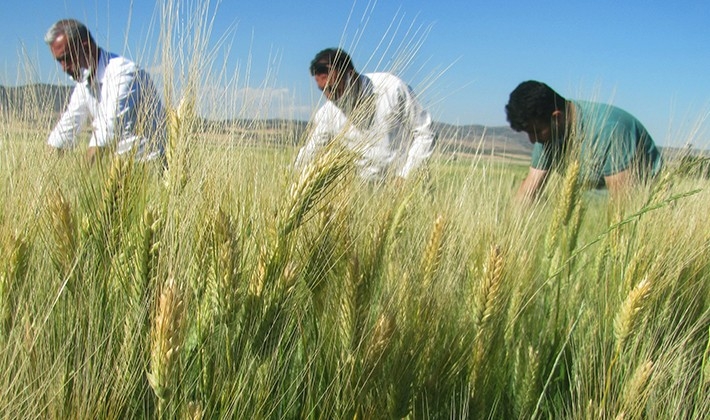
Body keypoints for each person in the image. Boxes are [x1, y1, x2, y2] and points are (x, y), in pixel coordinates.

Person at [505, 80, 662, 202]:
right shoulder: (548, 135)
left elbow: (622, 207)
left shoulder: (609, 131)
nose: (532, 141)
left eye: (535, 132)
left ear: (557, 118)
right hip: (592, 211)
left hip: (647, 205)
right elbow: (528, 193)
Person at [295, 48, 435, 183]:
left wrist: (405, 177)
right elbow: (311, 151)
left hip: (409, 187)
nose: (329, 96)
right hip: (367, 195)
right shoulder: (327, 114)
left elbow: (425, 133)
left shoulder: (392, 89)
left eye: (333, 88)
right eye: (323, 90)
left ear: (351, 75)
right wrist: (292, 179)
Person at [45, 19, 165, 164]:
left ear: (86, 47)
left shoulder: (124, 73)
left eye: (67, 58)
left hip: (152, 168)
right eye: (60, 61)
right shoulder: (85, 83)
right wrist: (44, 177)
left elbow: (107, 133)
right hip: (120, 171)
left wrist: (75, 185)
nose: (64, 68)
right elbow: (67, 127)